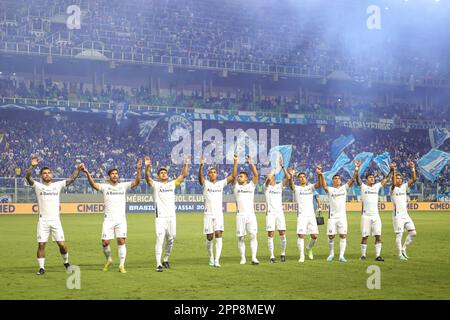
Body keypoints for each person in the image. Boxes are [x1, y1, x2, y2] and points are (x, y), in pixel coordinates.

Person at [80, 160, 142, 273]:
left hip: (121, 219)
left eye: (116, 173)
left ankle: (121, 265)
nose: (115, 175)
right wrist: (87, 173)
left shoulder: (123, 186)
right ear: (109, 176)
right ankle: (109, 260)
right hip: (108, 219)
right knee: (105, 242)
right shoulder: (105, 187)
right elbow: (93, 185)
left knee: (121, 241)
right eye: (112, 174)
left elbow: (136, 182)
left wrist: (138, 170)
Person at [25, 155, 82, 275]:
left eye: (48, 172)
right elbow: (28, 177)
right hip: (43, 221)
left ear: (52, 175)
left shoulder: (58, 185)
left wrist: (78, 169)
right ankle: (41, 268)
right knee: (41, 244)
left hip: (56, 221)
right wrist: (32, 166)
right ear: (41, 176)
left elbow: (71, 179)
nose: (47, 174)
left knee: (62, 245)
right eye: (44, 173)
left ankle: (66, 263)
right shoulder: (38, 186)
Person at [145, 155, 190, 272]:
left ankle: (165, 259)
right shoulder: (156, 185)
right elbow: (147, 178)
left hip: (171, 217)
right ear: (158, 176)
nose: (164, 174)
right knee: (159, 238)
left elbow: (184, 175)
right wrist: (147, 167)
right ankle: (158, 263)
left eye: (165, 172)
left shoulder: (172, 184)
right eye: (161, 173)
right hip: (160, 217)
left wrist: (186, 163)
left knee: (171, 239)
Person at [198, 154, 238, 267]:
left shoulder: (221, 183)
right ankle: (211, 257)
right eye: (210, 172)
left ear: (217, 174)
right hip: (208, 214)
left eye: (214, 172)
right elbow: (200, 179)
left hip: (218, 214)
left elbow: (233, 175)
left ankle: (217, 260)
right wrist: (201, 165)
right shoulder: (206, 183)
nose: (212, 174)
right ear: (208, 175)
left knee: (218, 234)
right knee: (209, 237)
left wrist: (235, 162)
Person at [355, 160, 394, 261]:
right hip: (366, 216)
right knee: (365, 236)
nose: (372, 179)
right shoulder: (363, 187)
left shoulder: (377, 187)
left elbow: (386, 179)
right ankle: (363, 255)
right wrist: (357, 168)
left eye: (373, 178)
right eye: (370, 178)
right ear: (367, 180)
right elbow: (357, 178)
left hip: (376, 216)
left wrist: (391, 170)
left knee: (378, 236)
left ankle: (378, 256)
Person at [319, 169, 358, 262]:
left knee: (343, 235)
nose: (337, 180)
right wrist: (321, 175)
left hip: (342, 217)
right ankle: (331, 254)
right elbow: (324, 186)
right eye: (335, 179)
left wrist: (356, 169)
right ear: (333, 181)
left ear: (340, 180)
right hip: (332, 217)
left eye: (338, 178)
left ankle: (341, 256)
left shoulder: (344, 188)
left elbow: (352, 180)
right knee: (331, 236)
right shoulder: (330, 189)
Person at [288, 166, 322, 262]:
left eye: (304, 176)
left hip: (311, 215)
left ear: (306, 179)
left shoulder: (310, 187)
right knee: (301, 235)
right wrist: (291, 176)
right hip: (301, 215)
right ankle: (301, 256)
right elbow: (291, 186)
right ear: (298, 179)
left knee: (314, 236)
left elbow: (319, 185)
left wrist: (319, 174)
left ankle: (309, 248)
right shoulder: (297, 188)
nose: (302, 178)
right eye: (300, 177)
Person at [233, 155, 259, 265]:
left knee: (253, 235)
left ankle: (254, 258)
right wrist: (236, 162)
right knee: (241, 237)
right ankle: (243, 258)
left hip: (251, 215)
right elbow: (233, 176)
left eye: (241, 176)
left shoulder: (251, 186)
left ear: (246, 178)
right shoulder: (236, 187)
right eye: (239, 176)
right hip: (240, 215)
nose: (239, 177)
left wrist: (251, 162)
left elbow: (256, 175)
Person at [264, 157, 291, 263]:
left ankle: (283, 254)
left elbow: (288, 178)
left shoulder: (279, 186)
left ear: (274, 177)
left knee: (282, 233)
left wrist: (283, 166)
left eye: (270, 176)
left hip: (279, 212)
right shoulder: (266, 187)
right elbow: (267, 180)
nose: (268, 178)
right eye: (267, 177)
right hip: (270, 213)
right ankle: (271, 256)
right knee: (270, 234)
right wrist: (275, 167)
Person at [391, 161, 417, 260]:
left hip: (405, 214)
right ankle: (399, 255)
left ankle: (403, 249)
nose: (399, 180)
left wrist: (412, 168)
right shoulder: (393, 188)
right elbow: (393, 182)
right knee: (399, 234)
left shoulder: (404, 187)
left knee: (413, 232)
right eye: (397, 178)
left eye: (400, 178)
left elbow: (414, 179)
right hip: (397, 215)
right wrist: (394, 170)